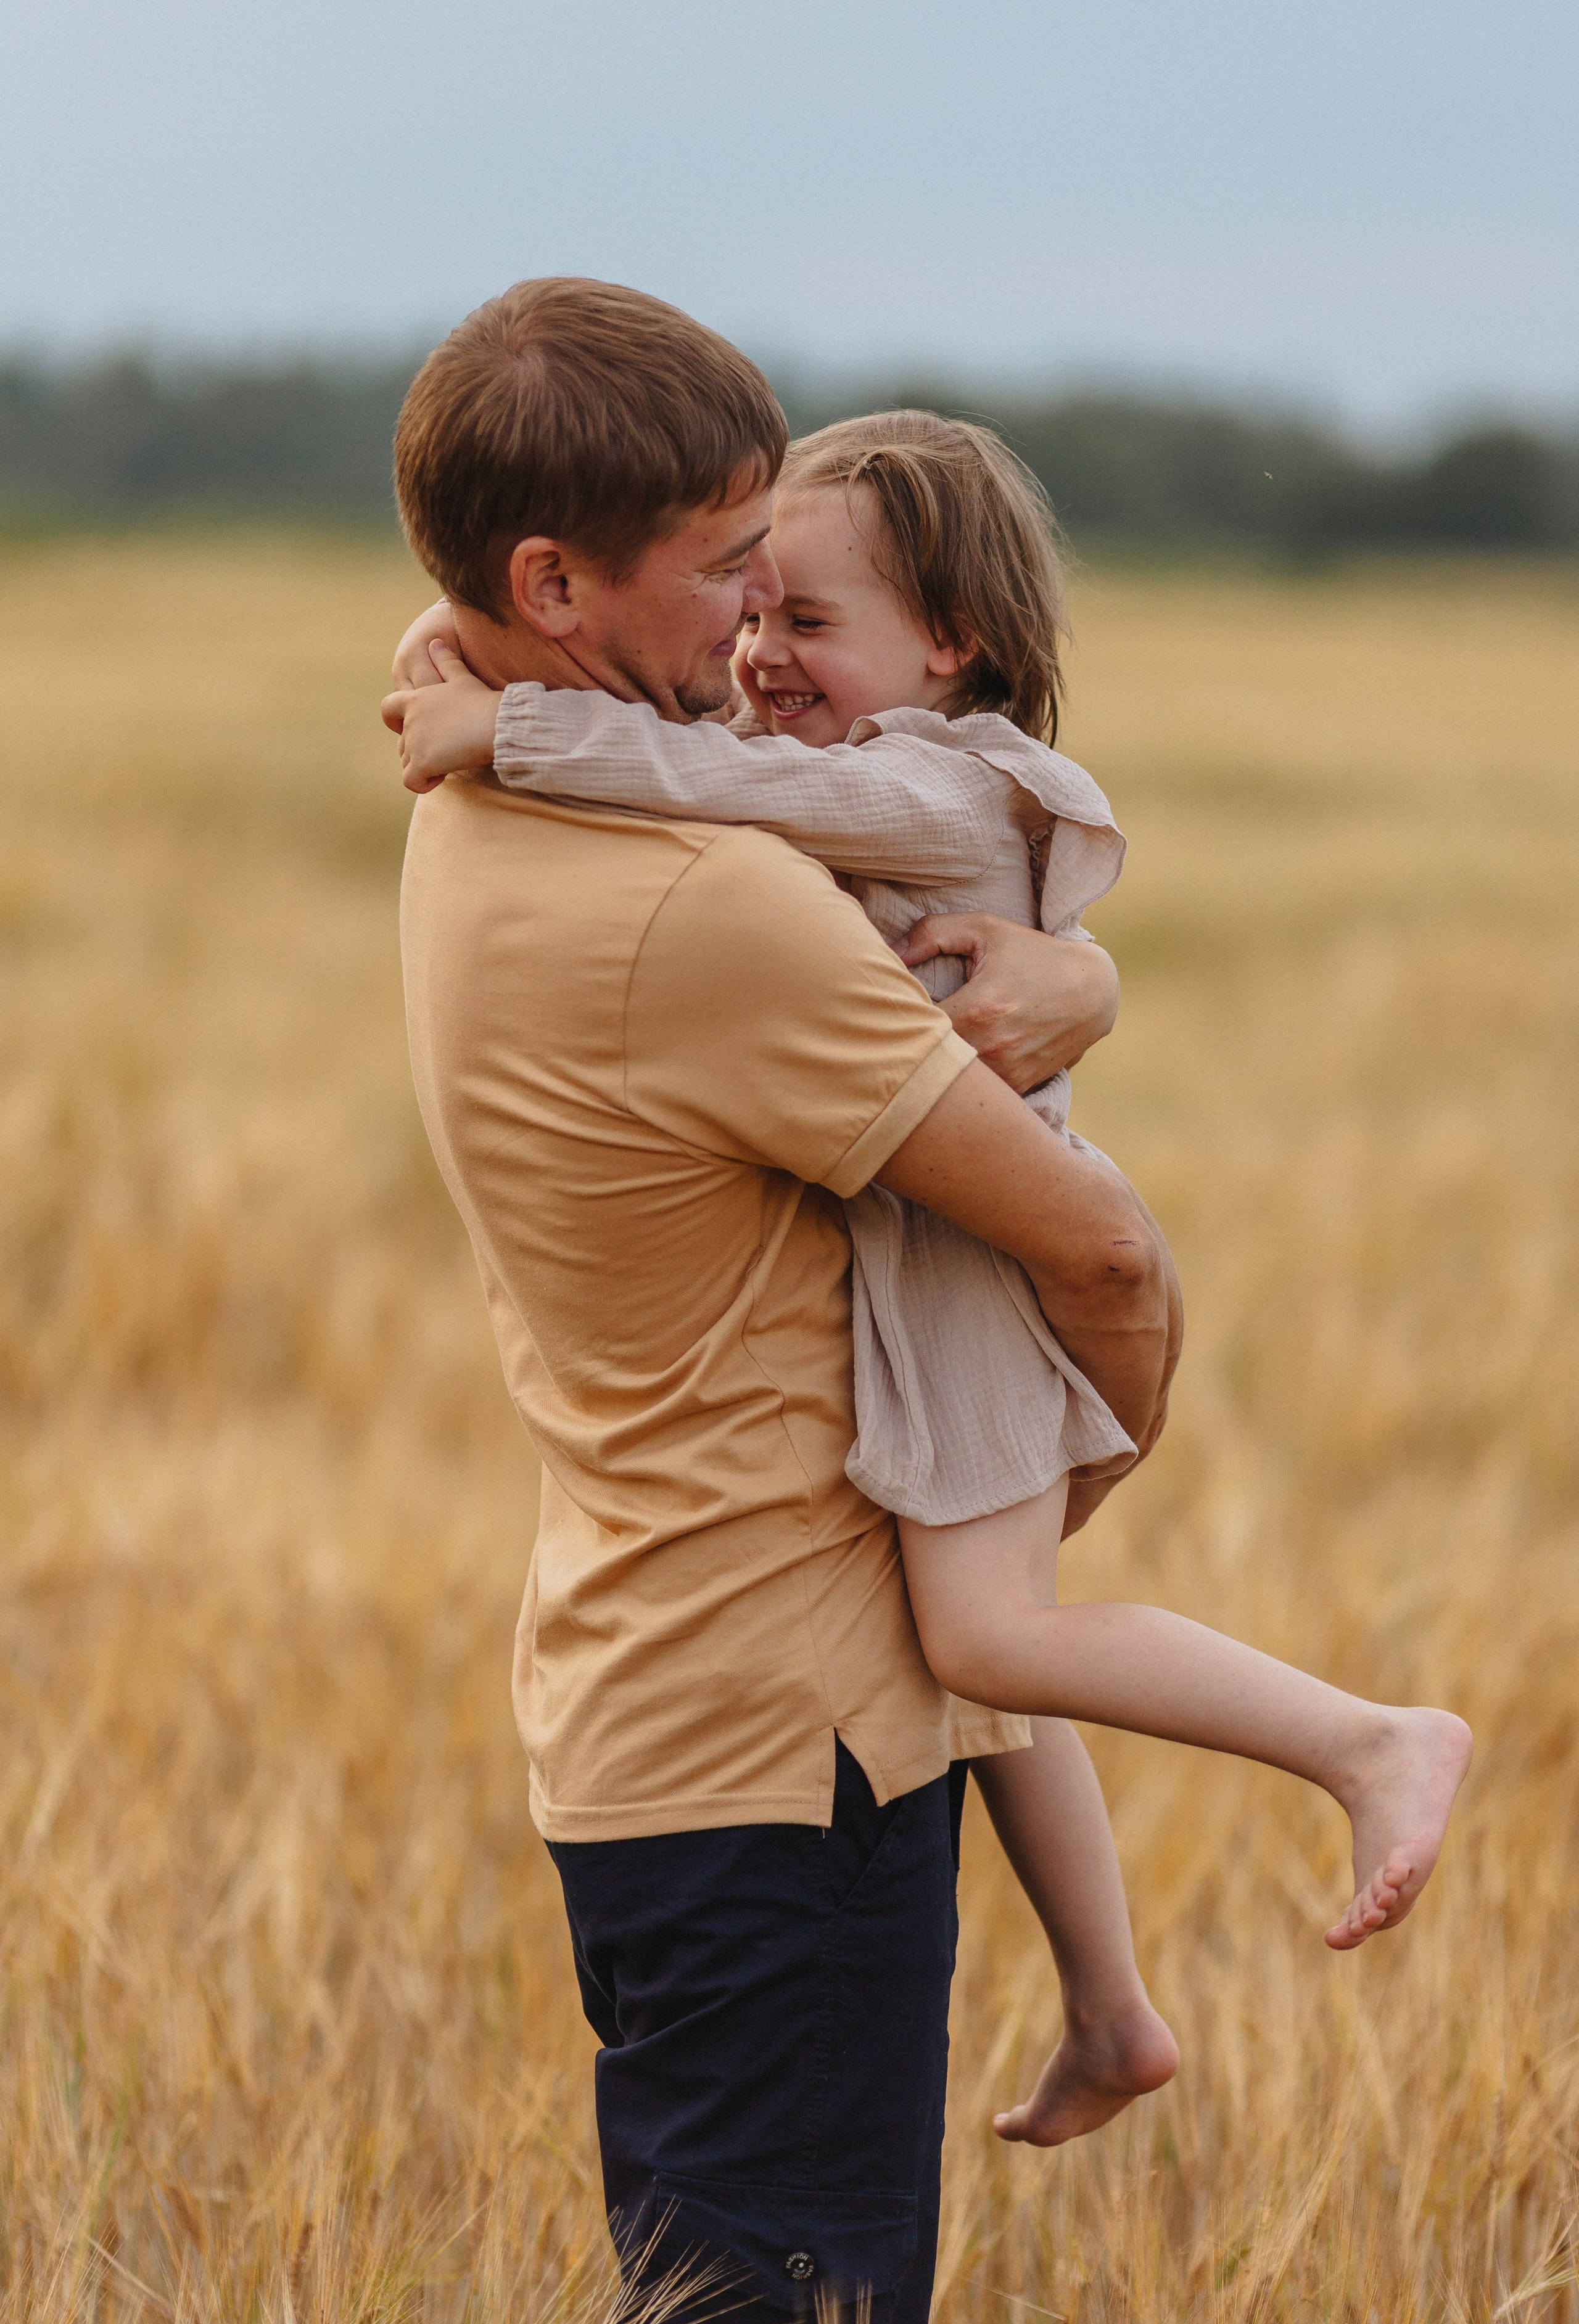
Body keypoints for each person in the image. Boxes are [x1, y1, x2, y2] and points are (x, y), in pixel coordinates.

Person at [386, 404, 1475, 2159]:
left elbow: (712, 777)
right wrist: (456, 654)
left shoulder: (914, 777)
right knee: (979, 1658)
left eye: (803, 620)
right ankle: (1114, 2004)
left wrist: (490, 723)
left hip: (967, 1266)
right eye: (743, 604)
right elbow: (638, 679)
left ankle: (1364, 1741)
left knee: (986, 1633)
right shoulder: (883, 755)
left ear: (949, 643)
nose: (753, 653)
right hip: (943, 1241)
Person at [390, 276, 1180, 2324]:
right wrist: (1095, 1462)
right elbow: (1099, 1259)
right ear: (556, 583)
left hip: (643, 1706)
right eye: (726, 563)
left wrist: (1074, 972)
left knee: (721, 2319)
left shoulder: (471, 790)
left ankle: (1119, 1995)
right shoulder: (706, 897)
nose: (753, 620)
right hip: (791, 1746)